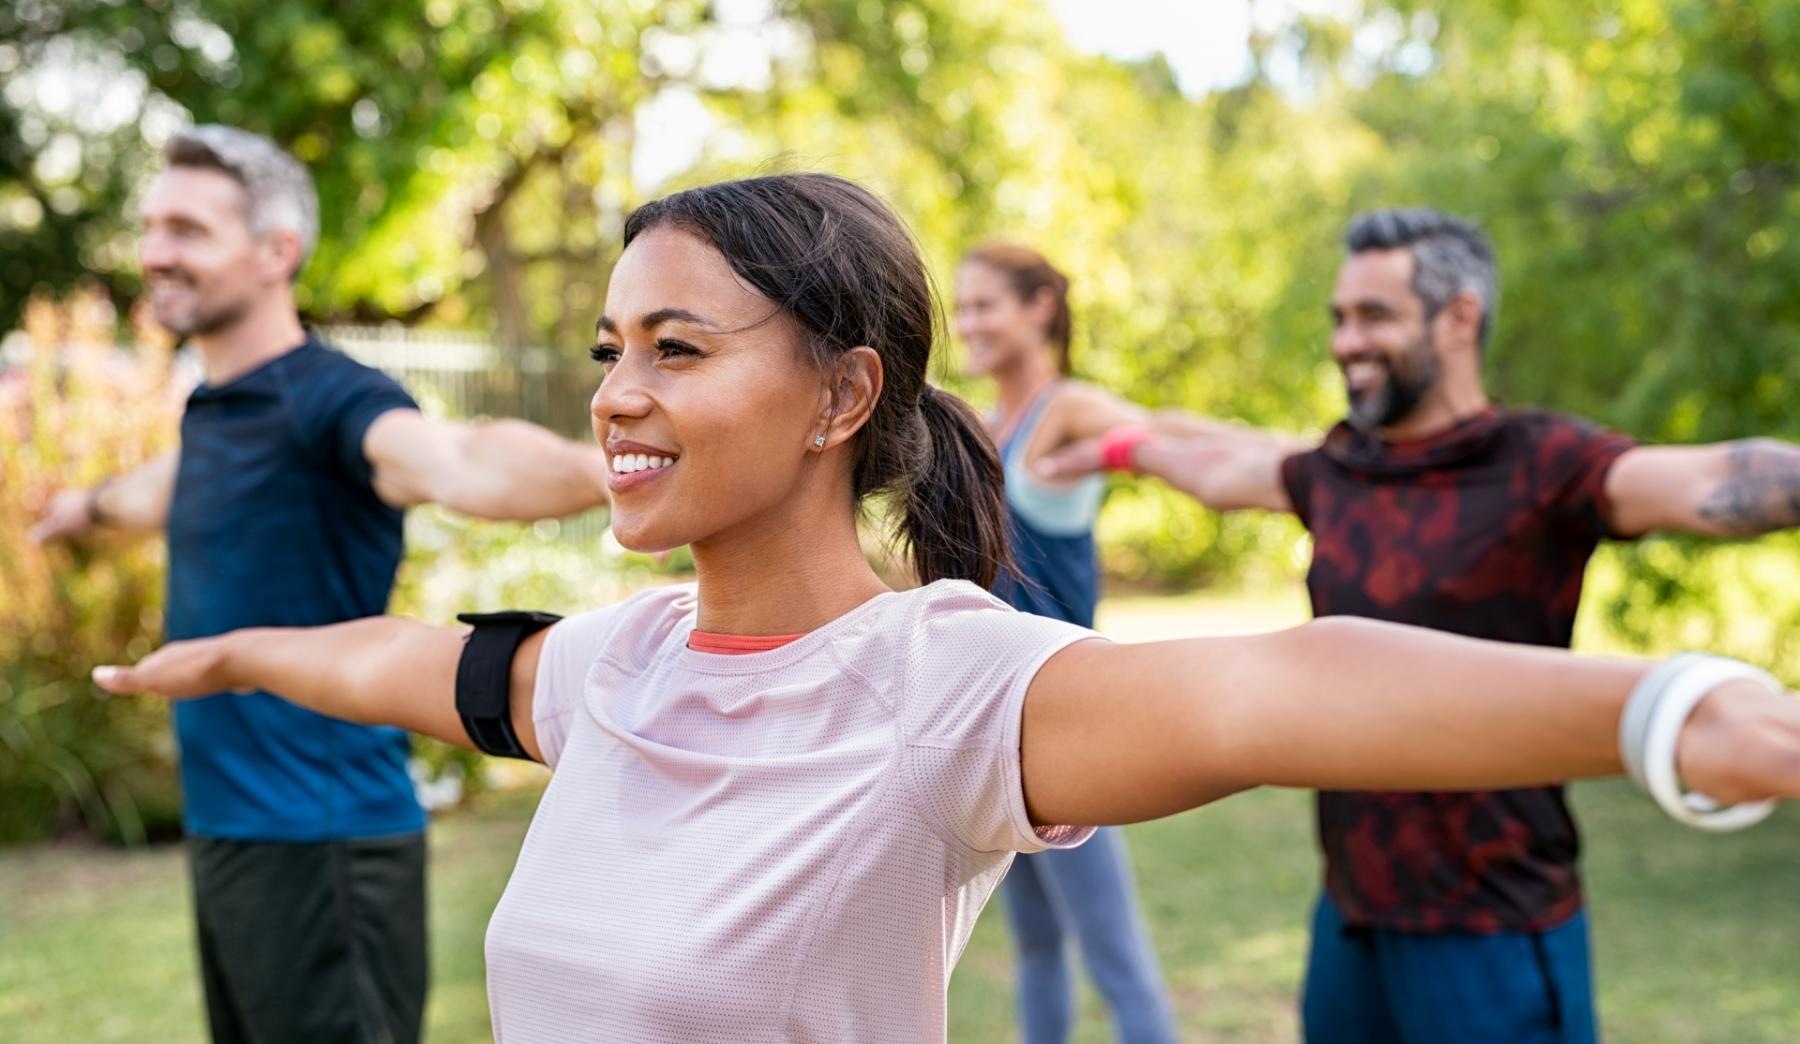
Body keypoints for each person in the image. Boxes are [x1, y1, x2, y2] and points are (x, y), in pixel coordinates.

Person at [91, 176, 1800, 1044]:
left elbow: (1286, 686)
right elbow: (426, 668)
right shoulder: (619, 662)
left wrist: (1669, 711)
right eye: (613, 347)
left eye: (677, 349)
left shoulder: (942, 687)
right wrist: (242, 652)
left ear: (842, 396)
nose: (617, 392)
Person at [1037, 207, 1800, 1043]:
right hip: (1353, 918)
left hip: (1492, 926)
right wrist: (1109, 448)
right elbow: (1218, 464)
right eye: (1339, 317)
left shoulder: (1541, 464)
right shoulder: (1337, 469)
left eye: (1374, 316)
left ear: (1460, 316)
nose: (1344, 341)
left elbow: (1712, 479)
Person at [31, 126, 611, 1044]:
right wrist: (82, 508)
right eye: (150, 227)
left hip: (325, 844)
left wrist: (622, 471)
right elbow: (163, 487)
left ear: (277, 253)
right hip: (233, 837)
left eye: (186, 229)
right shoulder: (221, 412)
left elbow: (457, 459)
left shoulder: (331, 401)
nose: (153, 253)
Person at [954, 244, 1176, 1043]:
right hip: (993, 722)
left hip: (1069, 714)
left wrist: (1110, 453)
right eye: (963, 306)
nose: (968, 323)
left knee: (1112, 953)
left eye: (985, 305)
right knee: (1038, 946)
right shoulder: (980, 427)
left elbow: (1163, 439)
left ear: (1040, 305)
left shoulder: (1069, 408)